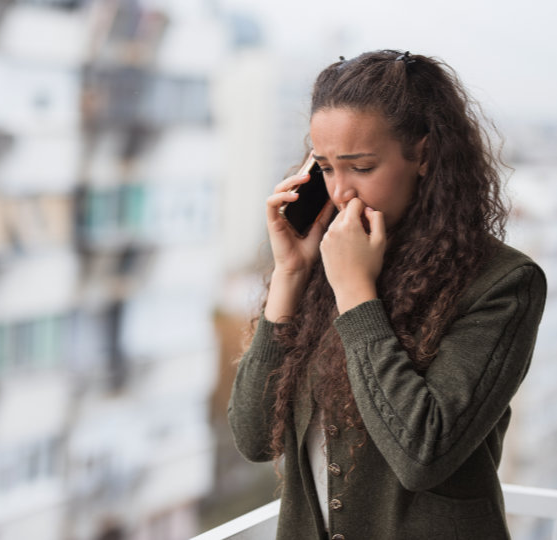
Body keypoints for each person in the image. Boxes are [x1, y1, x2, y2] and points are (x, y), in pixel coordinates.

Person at [227, 50, 547, 540]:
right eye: (327, 168)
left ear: (422, 155)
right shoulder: (320, 264)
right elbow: (252, 437)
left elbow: (423, 454)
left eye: (360, 166)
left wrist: (356, 295)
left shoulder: (503, 282)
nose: (339, 193)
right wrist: (290, 273)